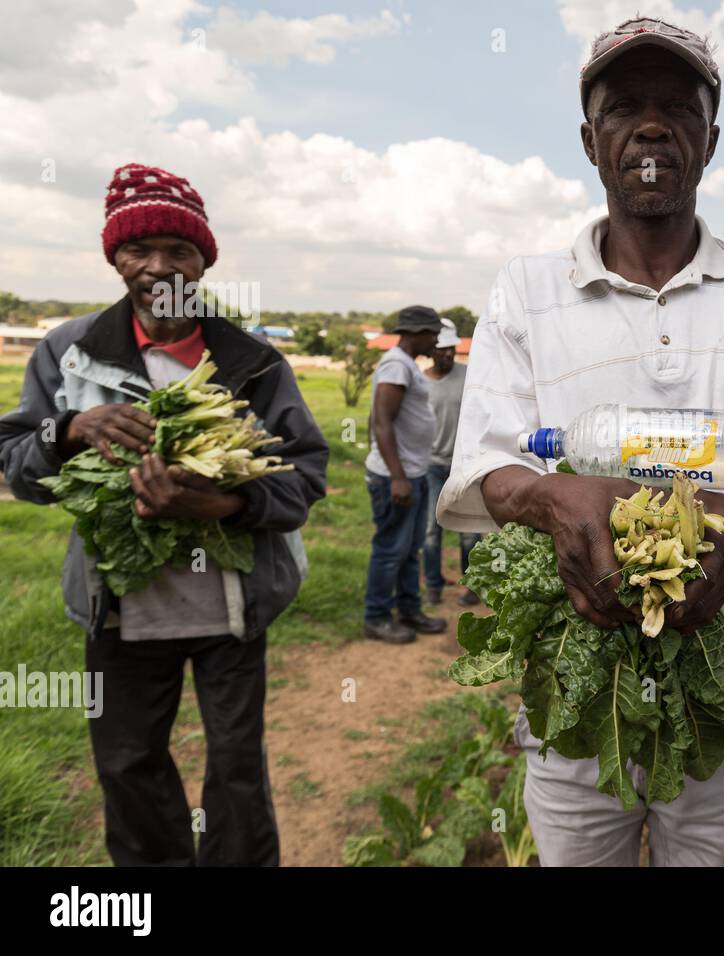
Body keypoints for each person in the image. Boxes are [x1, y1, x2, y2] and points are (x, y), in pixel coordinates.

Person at [436, 17, 724, 866]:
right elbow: (488, 462)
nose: (650, 125)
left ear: (709, 139)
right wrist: (555, 497)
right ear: (590, 140)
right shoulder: (529, 290)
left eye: (678, 108)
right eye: (623, 107)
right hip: (572, 675)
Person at [0, 163, 330, 866]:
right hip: (118, 609)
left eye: (178, 250)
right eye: (137, 248)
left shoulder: (253, 362)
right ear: (114, 257)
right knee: (126, 764)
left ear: (203, 260)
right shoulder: (69, 351)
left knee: (235, 772)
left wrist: (232, 502)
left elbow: (308, 473)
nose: (158, 267)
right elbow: (14, 464)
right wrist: (69, 431)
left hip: (232, 614)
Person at [363, 306, 448, 643]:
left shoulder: (407, 365)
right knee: (389, 549)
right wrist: (397, 476)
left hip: (413, 471)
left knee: (410, 548)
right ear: (416, 333)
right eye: (433, 334)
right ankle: (377, 617)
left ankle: (410, 611)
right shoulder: (396, 364)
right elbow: (381, 421)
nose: (437, 341)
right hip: (394, 477)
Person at [422, 317, 482, 606]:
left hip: (464, 465)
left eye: (452, 349)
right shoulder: (420, 383)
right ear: (432, 350)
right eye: (442, 349)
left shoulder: (469, 376)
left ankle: (472, 586)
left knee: (469, 531)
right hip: (431, 466)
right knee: (431, 531)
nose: (448, 354)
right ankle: (433, 584)